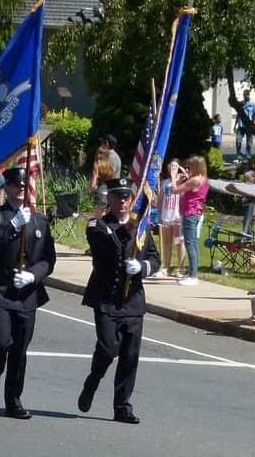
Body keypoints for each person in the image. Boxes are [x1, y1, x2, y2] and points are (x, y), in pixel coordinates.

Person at [77, 177, 161, 424]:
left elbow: (156, 259)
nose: (123, 202)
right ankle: (93, 380)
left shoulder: (141, 229)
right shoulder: (97, 225)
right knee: (107, 347)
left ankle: (122, 406)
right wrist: (129, 230)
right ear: (109, 199)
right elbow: (105, 245)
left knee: (130, 355)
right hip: (106, 299)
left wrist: (143, 266)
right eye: (117, 197)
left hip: (132, 301)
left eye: (127, 197)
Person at [0, 166, 56, 419]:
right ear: (7, 187)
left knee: (20, 350)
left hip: (26, 295)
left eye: (24, 186)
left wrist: (33, 275)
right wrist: (12, 225)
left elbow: (48, 259)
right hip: (0, 291)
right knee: (1, 342)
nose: (20, 189)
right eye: (15, 185)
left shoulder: (40, 222)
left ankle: (13, 399)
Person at [171, 155, 209, 286]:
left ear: (196, 167)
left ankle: (193, 276)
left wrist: (173, 177)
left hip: (190, 213)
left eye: (191, 166)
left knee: (189, 244)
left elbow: (175, 190)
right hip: (196, 213)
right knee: (193, 244)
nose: (188, 168)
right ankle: (193, 273)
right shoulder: (203, 179)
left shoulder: (194, 181)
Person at [156, 159, 186, 278]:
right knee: (167, 242)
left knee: (179, 242)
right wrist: (159, 214)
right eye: (170, 165)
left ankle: (180, 268)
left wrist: (178, 173)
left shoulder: (183, 179)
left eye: (175, 165)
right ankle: (166, 267)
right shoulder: (164, 182)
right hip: (166, 215)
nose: (172, 167)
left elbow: (184, 189)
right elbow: (161, 199)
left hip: (178, 216)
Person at [235, 89, 255, 161]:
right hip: (241, 125)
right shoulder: (241, 104)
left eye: (246, 95)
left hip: (249, 126)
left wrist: (254, 124)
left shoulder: (253, 104)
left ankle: (248, 157)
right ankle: (239, 156)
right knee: (238, 141)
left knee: (249, 143)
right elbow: (238, 115)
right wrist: (235, 125)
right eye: (244, 95)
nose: (245, 96)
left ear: (249, 95)